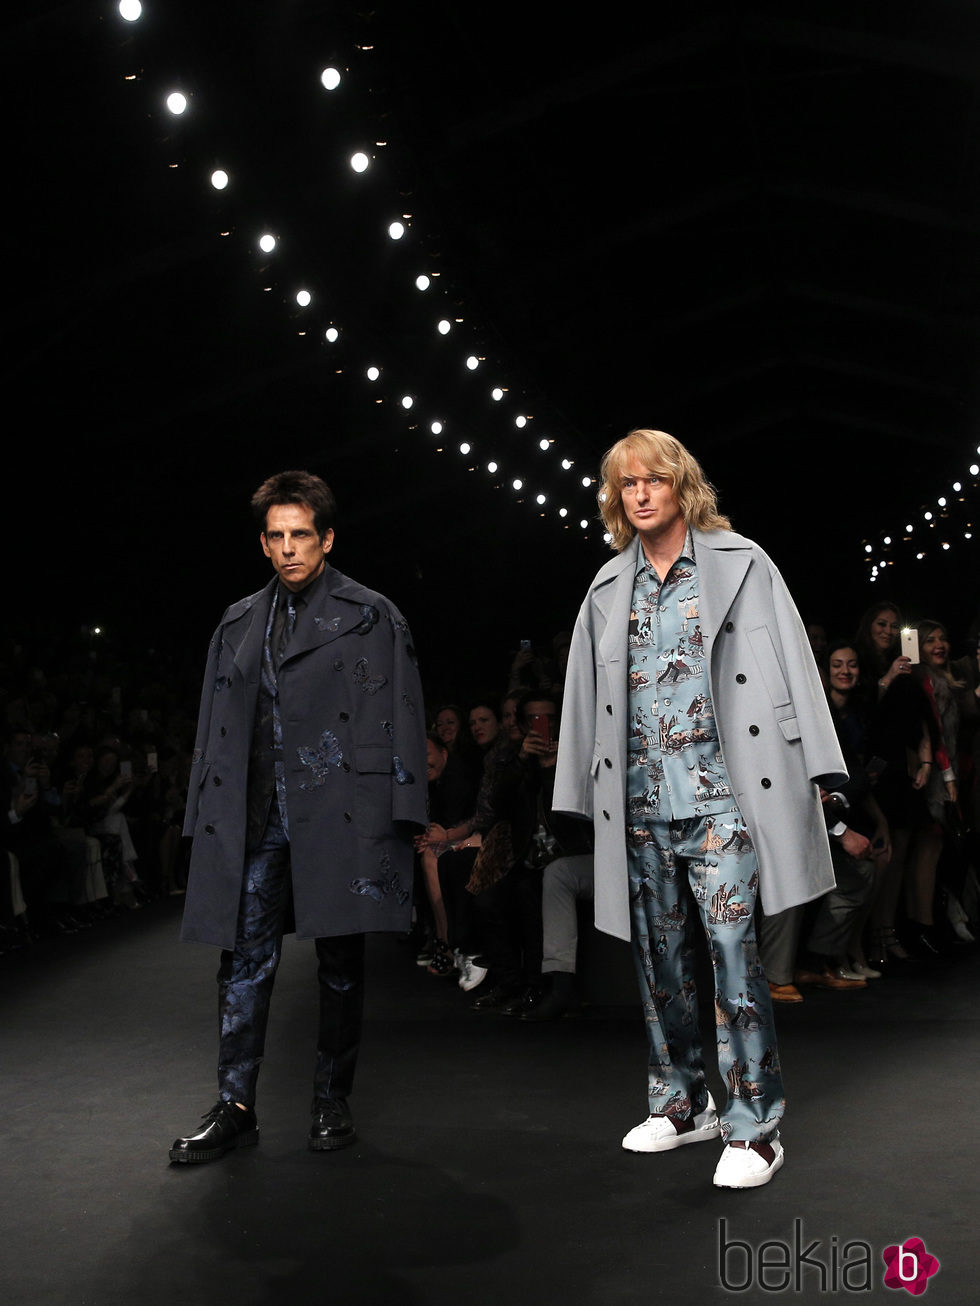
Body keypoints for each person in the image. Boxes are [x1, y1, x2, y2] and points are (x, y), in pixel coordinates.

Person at [553, 429, 846, 1190]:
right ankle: (681, 1104)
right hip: (642, 804)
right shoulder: (606, 588)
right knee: (660, 965)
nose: (641, 493)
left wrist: (824, 765)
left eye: (653, 479)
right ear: (616, 499)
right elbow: (584, 700)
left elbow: (794, 660)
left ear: (681, 484)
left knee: (733, 961)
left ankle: (755, 1126)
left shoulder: (743, 564)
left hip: (725, 799)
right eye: (627, 485)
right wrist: (575, 794)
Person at [170, 470, 427, 1164]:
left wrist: (403, 814)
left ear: (327, 538)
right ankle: (236, 1105)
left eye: (301, 536)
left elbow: (402, 715)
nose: (289, 549)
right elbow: (214, 726)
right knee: (243, 963)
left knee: (341, 964)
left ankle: (329, 1100)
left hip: (340, 813)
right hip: (257, 818)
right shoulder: (237, 622)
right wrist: (203, 812)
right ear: (263, 542)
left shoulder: (371, 614)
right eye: (277, 537)